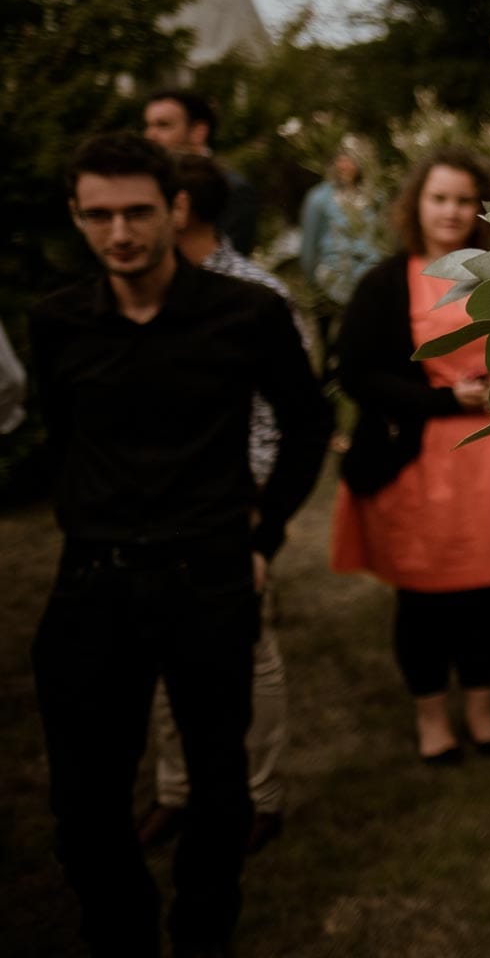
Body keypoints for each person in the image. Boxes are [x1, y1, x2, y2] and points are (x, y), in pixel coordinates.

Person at [29, 132, 329, 958]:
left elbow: (308, 424)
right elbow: (63, 437)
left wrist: (264, 532)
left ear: (176, 210)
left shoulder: (247, 314)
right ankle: (120, 935)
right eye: (98, 216)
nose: (118, 233)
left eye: (136, 213)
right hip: (93, 582)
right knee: (84, 804)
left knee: (218, 783)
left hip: (209, 578)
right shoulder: (58, 324)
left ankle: (203, 933)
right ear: (76, 218)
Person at [330, 148, 490, 762]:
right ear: (417, 205)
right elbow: (356, 373)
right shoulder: (385, 282)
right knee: (425, 597)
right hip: (420, 465)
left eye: (464, 200)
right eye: (440, 198)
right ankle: (432, 717)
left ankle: (482, 710)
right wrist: (442, 399)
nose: (452, 211)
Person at [137, 156, 312, 857]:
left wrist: (254, 504)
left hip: (231, 503)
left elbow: (284, 413)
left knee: (250, 649)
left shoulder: (256, 293)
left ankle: (259, 795)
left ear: (178, 208)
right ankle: (175, 789)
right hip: (148, 505)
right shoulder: (134, 292)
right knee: (154, 646)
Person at [142, 91, 260, 254]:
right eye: (148, 125)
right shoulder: (147, 184)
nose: (150, 135)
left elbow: (231, 262)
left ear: (198, 132)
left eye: (163, 125)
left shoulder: (233, 189)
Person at [298, 138, 381, 313]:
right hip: (332, 283)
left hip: (370, 281)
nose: (344, 165)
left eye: (351, 159)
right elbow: (308, 246)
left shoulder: (375, 198)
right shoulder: (319, 198)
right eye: (341, 159)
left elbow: (382, 239)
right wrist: (313, 283)